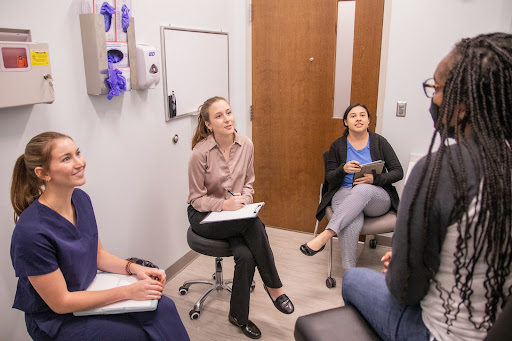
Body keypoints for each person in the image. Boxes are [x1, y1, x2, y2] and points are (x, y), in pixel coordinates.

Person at [342, 32, 512, 341]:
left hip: (442, 334)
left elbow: (406, 291)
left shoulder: (441, 170)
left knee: (353, 279)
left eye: (435, 88)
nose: (433, 98)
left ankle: (330, 236)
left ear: (462, 104)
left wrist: (405, 264)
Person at [9, 132, 190, 341]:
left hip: (88, 291)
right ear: (43, 173)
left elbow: (98, 255)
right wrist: (129, 292)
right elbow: (60, 302)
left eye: (78, 153)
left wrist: (134, 268)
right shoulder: (31, 233)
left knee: (164, 308)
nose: (80, 162)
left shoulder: (80, 199)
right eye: (66, 158)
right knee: (135, 335)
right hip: (57, 320)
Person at [187, 96, 294, 339]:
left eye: (228, 112)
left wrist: (244, 199)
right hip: (204, 216)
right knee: (253, 223)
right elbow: (195, 199)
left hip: (236, 216)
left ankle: (238, 317)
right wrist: (224, 205)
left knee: (246, 255)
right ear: (208, 125)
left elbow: (248, 183)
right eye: (219, 116)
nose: (227, 119)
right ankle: (274, 287)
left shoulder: (246, 144)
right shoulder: (199, 153)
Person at [300, 103, 403, 270]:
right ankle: (350, 273)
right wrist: (343, 169)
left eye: (362, 115)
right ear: (346, 122)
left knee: (361, 189)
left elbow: (398, 172)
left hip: (376, 198)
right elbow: (330, 177)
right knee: (351, 219)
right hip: (344, 193)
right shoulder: (337, 145)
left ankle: (326, 234)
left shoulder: (379, 142)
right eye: (353, 116)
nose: (358, 119)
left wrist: (374, 179)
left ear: (369, 120)